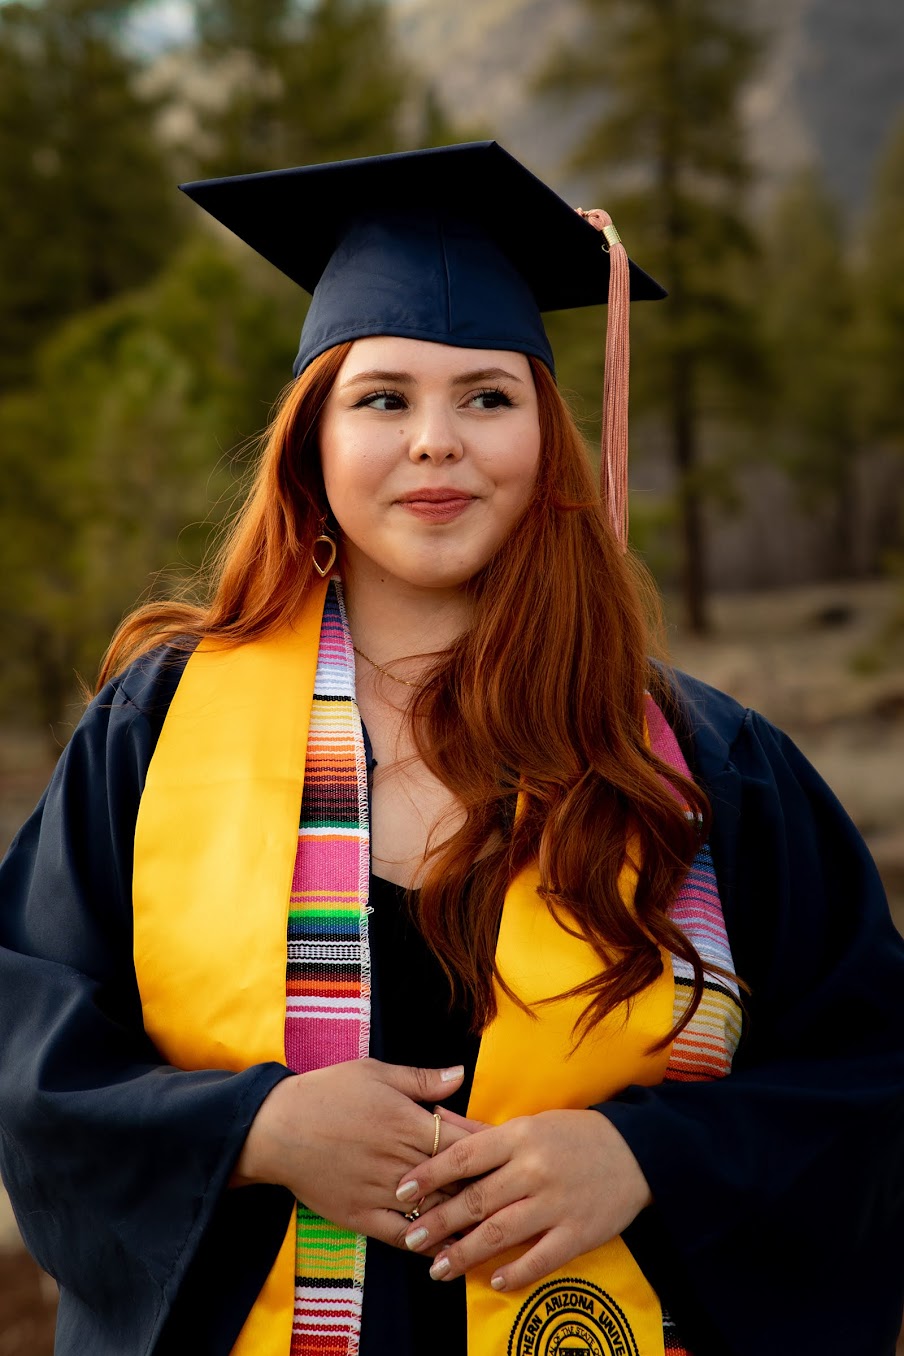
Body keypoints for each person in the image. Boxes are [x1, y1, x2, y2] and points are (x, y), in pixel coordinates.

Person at [0, 141, 902, 1356]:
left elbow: (868, 1075)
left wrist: (643, 1158)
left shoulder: (704, 765)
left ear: (548, 444)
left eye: (487, 395)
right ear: (312, 443)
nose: (437, 441)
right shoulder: (158, 733)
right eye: (383, 398)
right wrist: (253, 1132)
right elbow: (30, 1035)